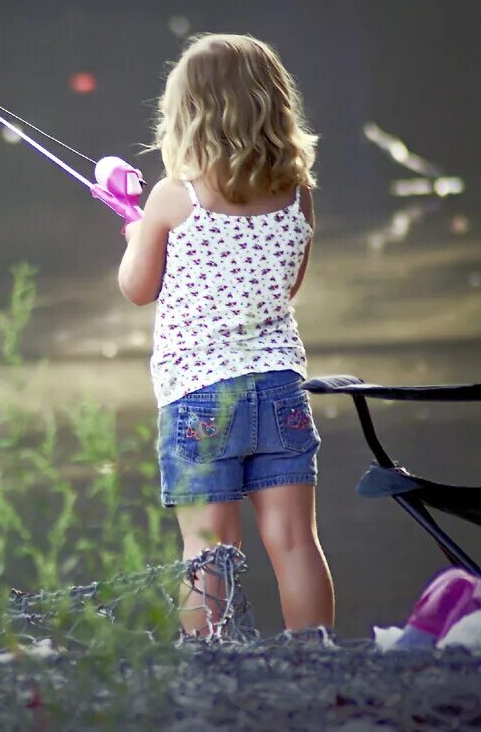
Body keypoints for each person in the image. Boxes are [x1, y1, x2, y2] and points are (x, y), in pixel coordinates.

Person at [118, 33, 335, 637]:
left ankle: (216, 680)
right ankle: (316, 666)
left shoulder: (170, 198)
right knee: (295, 543)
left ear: (187, 114)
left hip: (199, 396)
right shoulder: (297, 195)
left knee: (208, 552)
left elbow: (138, 288)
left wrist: (140, 235)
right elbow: (287, 287)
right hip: (280, 389)